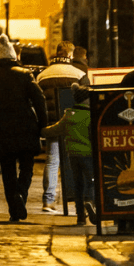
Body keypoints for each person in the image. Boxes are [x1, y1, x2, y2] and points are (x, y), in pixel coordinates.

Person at [0, 34, 48, 223]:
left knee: (7, 171)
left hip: (1, 131)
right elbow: (40, 102)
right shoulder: (26, 76)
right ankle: (21, 195)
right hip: (26, 128)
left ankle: (14, 209)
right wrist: (43, 127)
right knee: (27, 168)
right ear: (14, 58)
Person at [36, 41, 85, 212]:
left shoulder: (43, 75)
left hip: (52, 123)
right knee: (76, 161)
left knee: (52, 160)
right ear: (70, 55)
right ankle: (79, 199)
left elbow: (38, 101)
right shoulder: (79, 73)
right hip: (74, 122)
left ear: (57, 53)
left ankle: (48, 200)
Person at [41, 82, 96, 226]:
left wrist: (40, 131)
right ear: (87, 100)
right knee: (92, 181)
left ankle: (80, 217)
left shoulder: (68, 115)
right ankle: (89, 201)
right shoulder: (91, 116)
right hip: (88, 154)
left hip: (73, 155)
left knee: (78, 184)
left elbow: (54, 130)